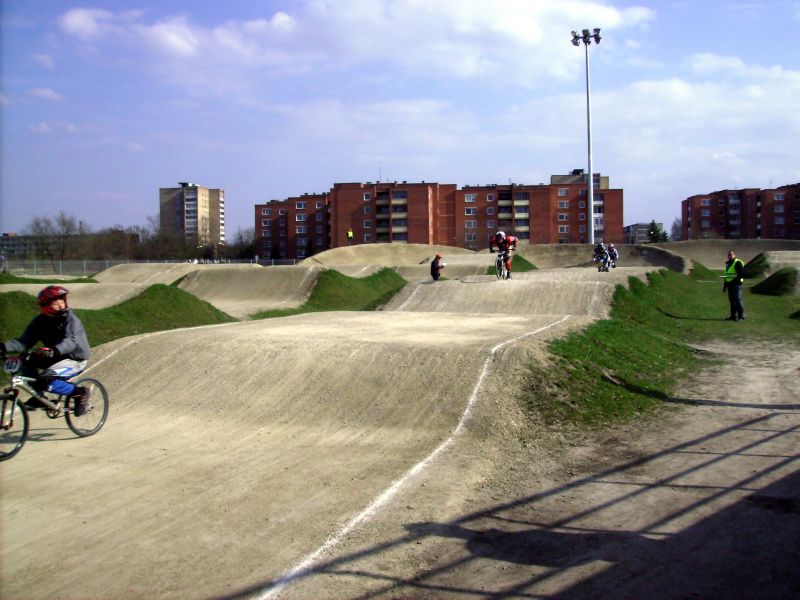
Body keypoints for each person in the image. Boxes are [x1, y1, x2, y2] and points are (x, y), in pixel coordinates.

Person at [0, 285, 91, 415]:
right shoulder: (39, 321)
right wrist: (3, 347)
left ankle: (80, 393)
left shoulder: (70, 319)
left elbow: (71, 341)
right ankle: (39, 397)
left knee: (46, 379)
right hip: (54, 356)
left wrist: (54, 350)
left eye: (62, 299)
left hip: (74, 359)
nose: (61, 303)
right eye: (56, 301)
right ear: (45, 304)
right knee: (25, 361)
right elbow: (24, 342)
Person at [722, 249, 745, 321]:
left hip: (736, 285)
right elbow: (727, 275)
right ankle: (733, 316)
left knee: (738, 301)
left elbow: (741, 274)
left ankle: (741, 316)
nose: (730, 256)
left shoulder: (737, 262)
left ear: (734, 255)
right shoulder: (728, 263)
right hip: (730, 285)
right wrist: (725, 286)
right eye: (729, 255)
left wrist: (734, 281)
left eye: (731, 254)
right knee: (732, 302)